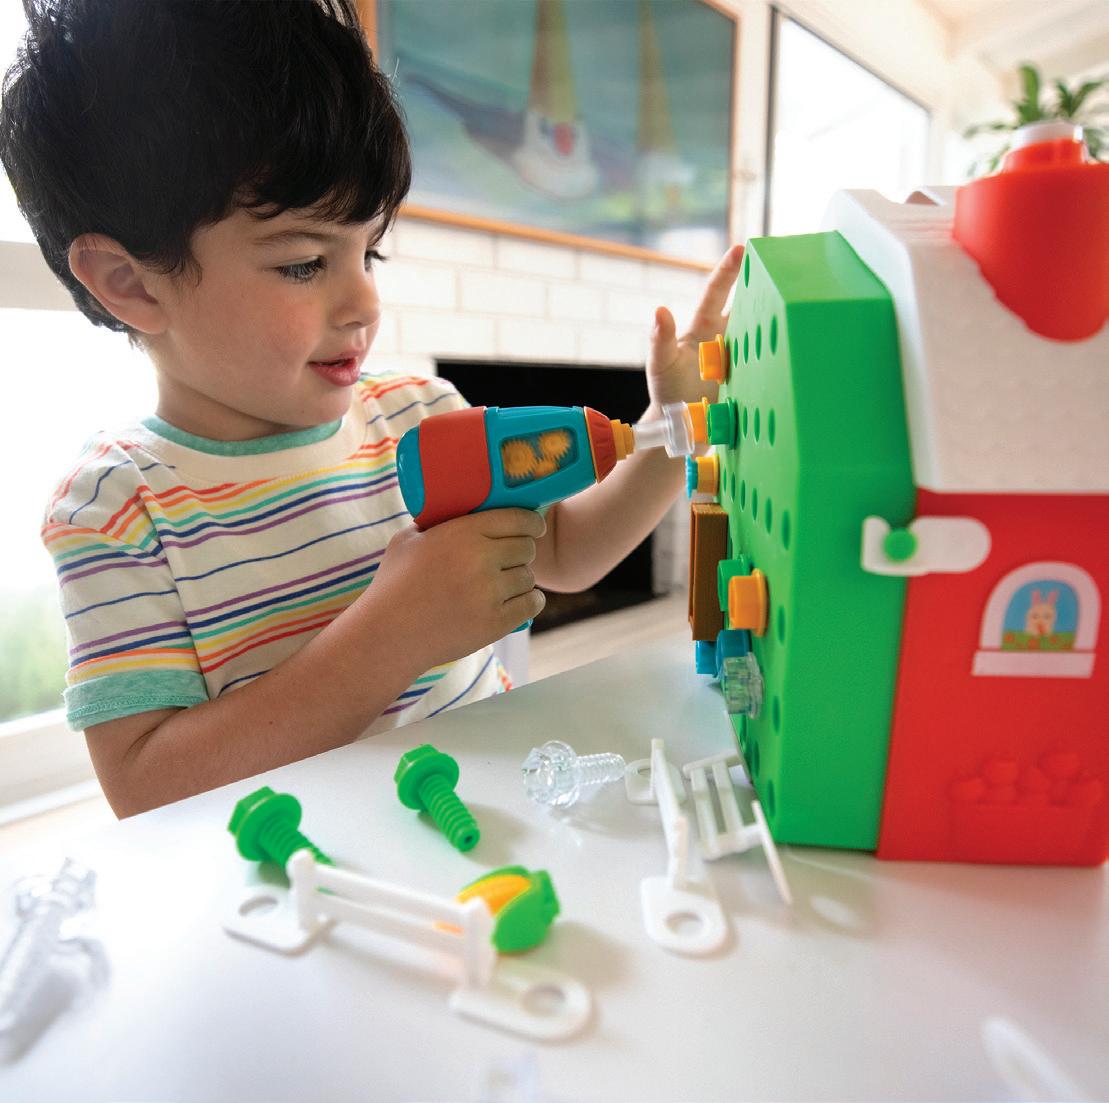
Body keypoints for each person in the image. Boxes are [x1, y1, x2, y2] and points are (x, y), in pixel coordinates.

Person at [0, 0, 742, 817]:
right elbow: (146, 788)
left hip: (495, 827)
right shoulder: (116, 507)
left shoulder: (421, 417)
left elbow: (563, 552)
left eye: (369, 252)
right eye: (302, 264)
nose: (364, 303)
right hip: (309, 875)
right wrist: (392, 634)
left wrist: (670, 429)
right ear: (130, 283)